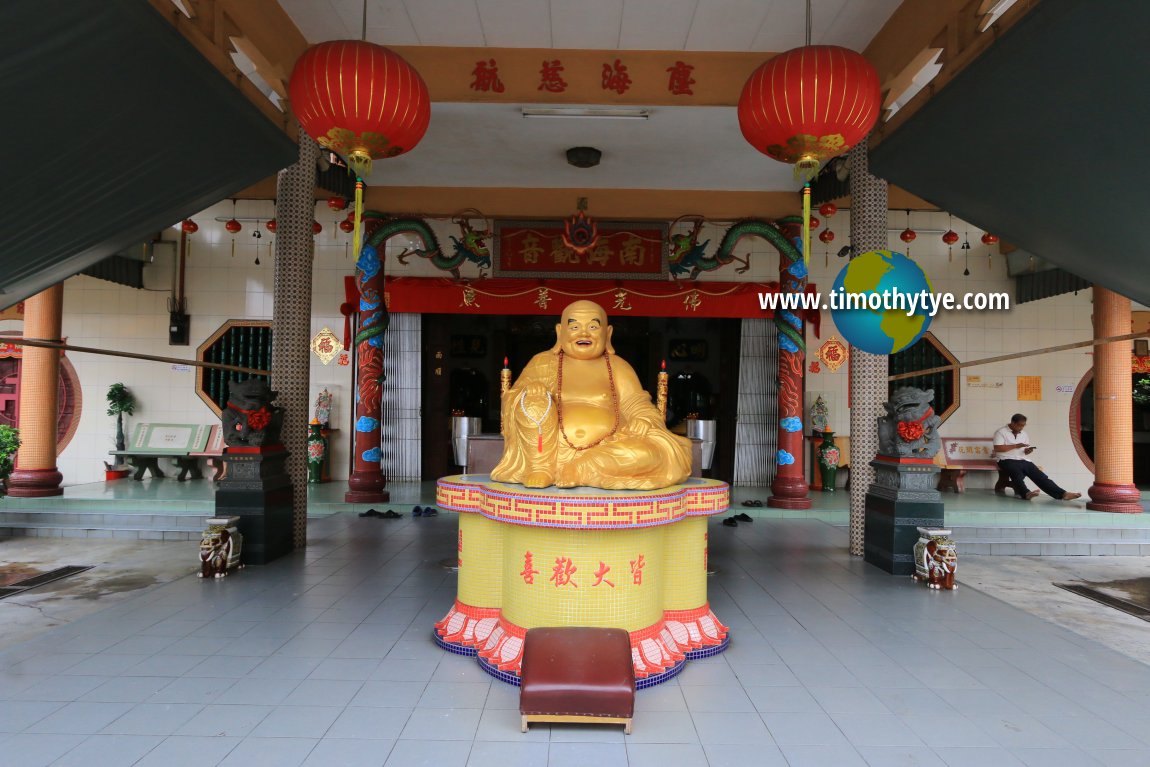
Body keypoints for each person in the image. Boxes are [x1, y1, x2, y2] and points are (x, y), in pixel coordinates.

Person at [491, 300, 692, 490]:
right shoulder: (542, 363)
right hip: (551, 452)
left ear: (608, 333)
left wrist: (642, 420)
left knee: (651, 454)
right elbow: (512, 398)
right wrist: (530, 392)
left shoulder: (617, 367)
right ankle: (542, 468)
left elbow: (637, 404)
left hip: (608, 449)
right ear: (560, 332)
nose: (584, 333)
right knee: (531, 401)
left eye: (594, 327)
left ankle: (581, 468)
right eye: (575, 326)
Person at [992, 414, 1081, 501]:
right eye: (1019, 425)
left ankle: (1063, 494)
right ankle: (1026, 493)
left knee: (1040, 476)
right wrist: (1016, 445)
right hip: (1006, 460)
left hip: (1023, 459)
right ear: (1013, 423)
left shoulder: (1024, 434)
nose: (1021, 428)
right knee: (1017, 474)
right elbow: (998, 448)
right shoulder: (1001, 432)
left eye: (1023, 425)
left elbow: (1023, 450)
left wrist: (1027, 451)